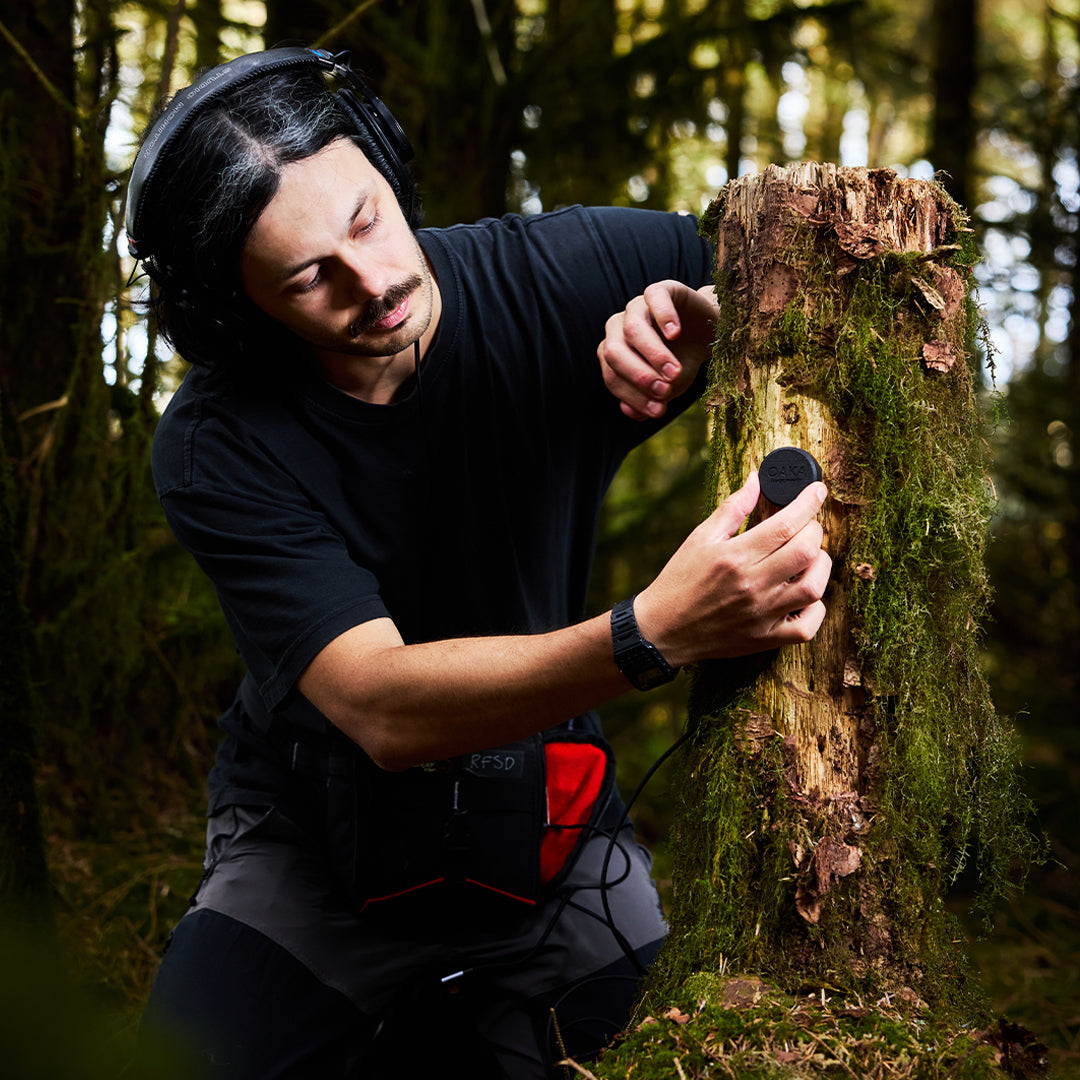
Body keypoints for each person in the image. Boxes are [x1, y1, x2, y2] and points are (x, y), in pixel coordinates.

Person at [128, 46, 831, 1080]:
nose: (372, 283)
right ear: (241, 307)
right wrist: (655, 633)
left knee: (690, 1054)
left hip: (555, 823)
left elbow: (819, 269)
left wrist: (716, 325)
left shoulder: (562, 270)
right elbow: (381, 707)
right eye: (308, 276)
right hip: (311, 843)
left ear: (388, 168)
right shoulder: (214, 442)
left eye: (365, 221)